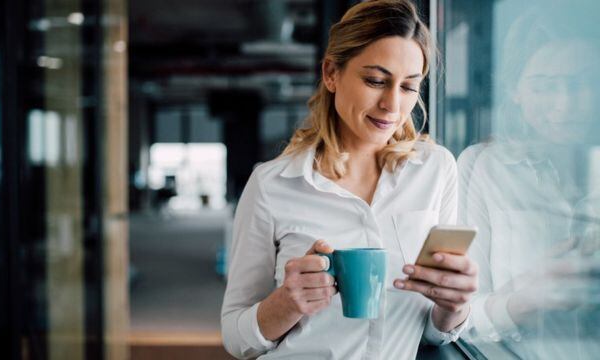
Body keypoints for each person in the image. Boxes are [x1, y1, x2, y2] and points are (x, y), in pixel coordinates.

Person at [221, 1, 478, 359]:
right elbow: (235, 337)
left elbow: (435, 333)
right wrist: (286, 303)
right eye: (376, 80)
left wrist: (454, 306)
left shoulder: (435, 170)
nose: (392, 104)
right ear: (331, 74)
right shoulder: (272, 185)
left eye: (408, 87)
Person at [457, 2, 600, 359]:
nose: (565, 105)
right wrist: (528, 298)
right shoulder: (481, 169)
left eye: (582, 84)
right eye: (543, 87)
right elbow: (454, 320)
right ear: (515, 91)